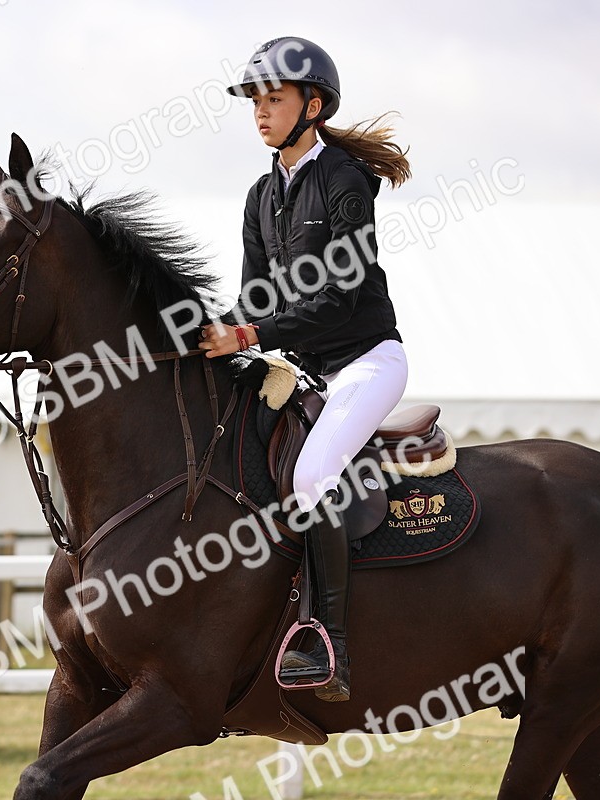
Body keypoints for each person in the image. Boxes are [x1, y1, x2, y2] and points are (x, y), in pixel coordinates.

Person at [200, 36, 411, 702]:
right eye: (255, 102)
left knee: (313, 474)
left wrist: (249, 333)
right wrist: (207, 334)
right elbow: (254, 299)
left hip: (365, 364)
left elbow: (336, 301)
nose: (260, 112)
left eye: (274, 99)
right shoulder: (262, 194)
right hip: (304, 371)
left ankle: (331, 645)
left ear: (312, 105)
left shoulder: (344, 182)